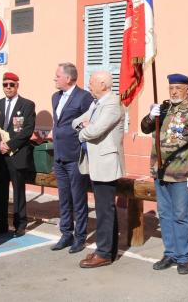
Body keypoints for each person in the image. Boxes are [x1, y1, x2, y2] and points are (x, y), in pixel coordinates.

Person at [140, 73, 188, 275]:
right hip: (160, 172)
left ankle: (183, 257)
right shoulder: (164, 108)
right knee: (165, 215)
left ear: (187, 89)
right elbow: (145, 127)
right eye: (171, 88)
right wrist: (151, 115)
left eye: (178, 88)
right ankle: (170, 253)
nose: (174, 92)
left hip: (180, 174)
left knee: (180, 216)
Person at [72, 70, 125, 268]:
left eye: (91, 82)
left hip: (106, 163)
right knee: (105, 208)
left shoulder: (112, 103)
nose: (88, 86)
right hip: (97, 163)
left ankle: (103, 252)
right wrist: (86, 126)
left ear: (103, 84)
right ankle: (107, 250)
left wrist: (85, 129)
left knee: (105, 209)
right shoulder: (96, 103)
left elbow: (95, 130)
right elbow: (76, 122)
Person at [50, 62, 94, 253]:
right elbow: (58, 123)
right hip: (59, 155)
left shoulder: (84, 97)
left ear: (68, 78)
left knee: (78, 199)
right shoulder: (55, 97)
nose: (55, 79)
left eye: (57, 76)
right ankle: (66, 233)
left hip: (76, 155)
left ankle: (80, 236)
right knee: (64, 198)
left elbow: (90, 123)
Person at [0, 72, 36, 238]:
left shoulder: (27, 105)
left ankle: (20, 224)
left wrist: (10, 145)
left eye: (11, 84)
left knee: (18, 191)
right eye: (5, 84)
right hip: (0, 155)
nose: (8, 87)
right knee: (0, 191)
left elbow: (27, 130)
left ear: (17, 85)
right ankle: (1, 224)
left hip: (17, 154)